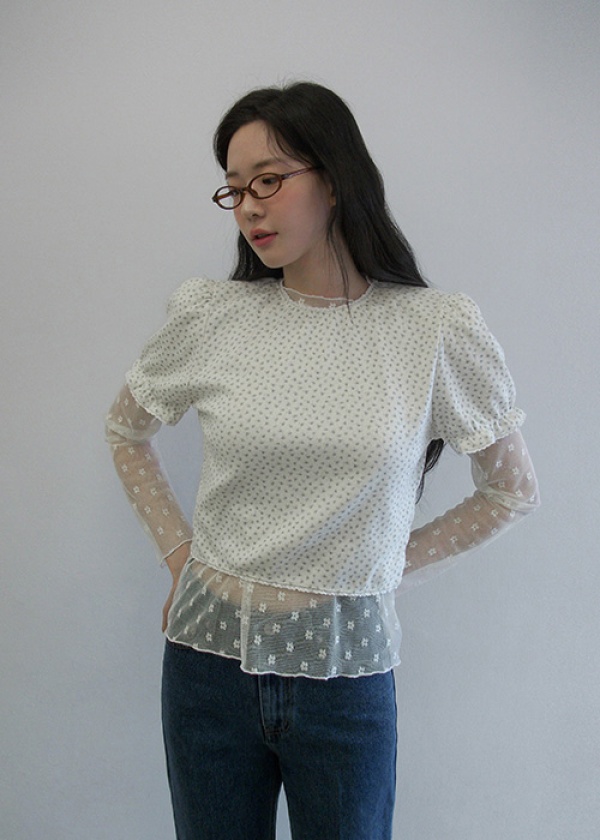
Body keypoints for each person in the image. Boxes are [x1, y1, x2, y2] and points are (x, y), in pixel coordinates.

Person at [105, 82, 540, 840]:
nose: (249, 207)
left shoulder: (431, 329)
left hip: (346, 678)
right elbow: (125, 431)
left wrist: (383, 567)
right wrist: (181, 557)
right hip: (206, 667)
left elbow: (511, 490)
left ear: (334, 180)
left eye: (268, 180)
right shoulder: (214, 316)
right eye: (235, 189)